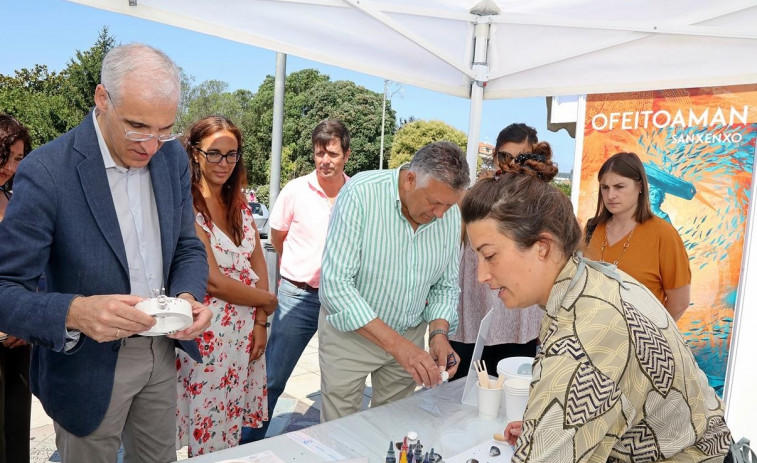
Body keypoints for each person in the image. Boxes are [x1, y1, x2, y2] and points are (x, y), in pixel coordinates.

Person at [0, 43, 212, 462]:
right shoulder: (47, 170)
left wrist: (188, 298)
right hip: (87, 365)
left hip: (162, 348)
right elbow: (5, 288)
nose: (152, 145)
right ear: (102, 99)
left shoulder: (172, 158)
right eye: (137, 126)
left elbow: (187, 247)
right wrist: (75, 313)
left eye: (164, 128)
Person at [461, 168, 732, 462]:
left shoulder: (584, 334)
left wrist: (545, 443)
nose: (481, 275)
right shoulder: (593, 282)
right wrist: (548, 430)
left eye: (489, 255)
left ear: (542, 247)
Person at [318, 141, 469, 422]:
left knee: (392, 425)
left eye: (448, 205)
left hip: (410, 335)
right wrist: (398, 346)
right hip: (351, 337)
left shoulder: (449, 216)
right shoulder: (361, 192)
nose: (440, 214)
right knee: (338, 430)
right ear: (410, 179)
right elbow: (335, 285)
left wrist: (438, 334)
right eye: (434, 202)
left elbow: (445, 287)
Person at [243, 119, 351, 441]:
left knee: (341, 382)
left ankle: (335, 446)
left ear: (346, 153)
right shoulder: (295, 190)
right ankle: (247, 445)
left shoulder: (356, 192)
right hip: (297, 295)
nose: (325, 161)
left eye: (332, 153)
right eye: (319, 153)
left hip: (340, 300)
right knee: (273, 376)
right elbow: (277, 237)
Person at [176, 116, 277, 455]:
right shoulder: (187, 206)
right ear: (195, 153)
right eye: (214, 153)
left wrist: (261, 320)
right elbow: (212, 280)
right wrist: (267, 299)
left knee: (229, 423)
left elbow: (258, 262)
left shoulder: (240, 205)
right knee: (205, 424)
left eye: (231, 154)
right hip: (208, 332)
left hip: (244, 329)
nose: (224, 163)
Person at [450, 123, 545, 380]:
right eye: (505, 157)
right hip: (471, 319)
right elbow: (453, 254)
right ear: (494, 156)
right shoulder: (471, 199)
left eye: (520, 159)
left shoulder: (539, 204)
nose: (510, 165)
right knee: (458, 402)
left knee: (511, 406)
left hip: (519, 324)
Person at [583, 152, 691, 321]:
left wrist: (649, 338)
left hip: (639, 344)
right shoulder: (592, 227)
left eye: (619, 187)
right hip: (591, 336)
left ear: (640, 186)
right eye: (605, 187)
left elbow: (679, 302)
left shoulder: (664, 234)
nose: (611, 196)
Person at [0, 114, 32, 463]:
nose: (9, 167)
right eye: (5, 156)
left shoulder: (15, 199)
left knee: (16, 435)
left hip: (18, 338)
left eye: (18, 158)